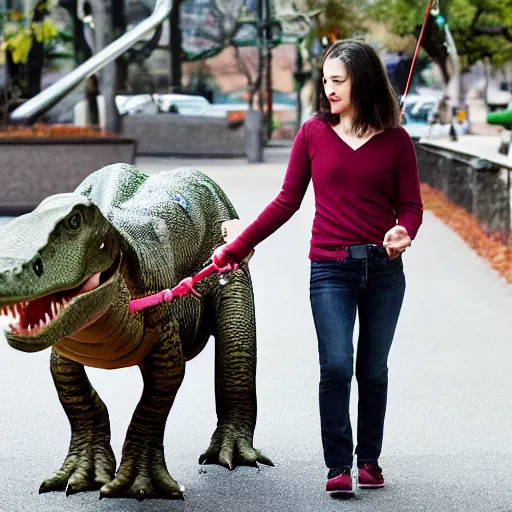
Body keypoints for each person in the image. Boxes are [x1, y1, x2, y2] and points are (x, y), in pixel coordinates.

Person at [211, 39, 423, 496]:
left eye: (338, 81)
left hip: (383, 272)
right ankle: (337, 467)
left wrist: (404, 231)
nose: (328, 88)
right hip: (330, 269)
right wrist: (239, 246)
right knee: (335, 365)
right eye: (325, 80)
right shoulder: (312, 134)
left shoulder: (396, 140)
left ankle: (368, 460)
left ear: (362, 81)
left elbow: (411, 206)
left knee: (373, 369)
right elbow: (287, 201)